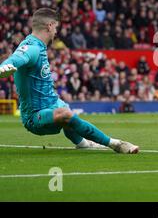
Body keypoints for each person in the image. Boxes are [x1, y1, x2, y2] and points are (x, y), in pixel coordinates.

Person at [0, 8, 138, 154]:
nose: (56, 32)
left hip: (52, 104)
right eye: (56, 28)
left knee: (66, 110)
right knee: (65, 114)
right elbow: (16, 59)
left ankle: (83, 143)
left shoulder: (39, 46)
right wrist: (4, 68)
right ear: (50, 26)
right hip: (36, 116)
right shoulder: (32, 48)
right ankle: (115, 144)